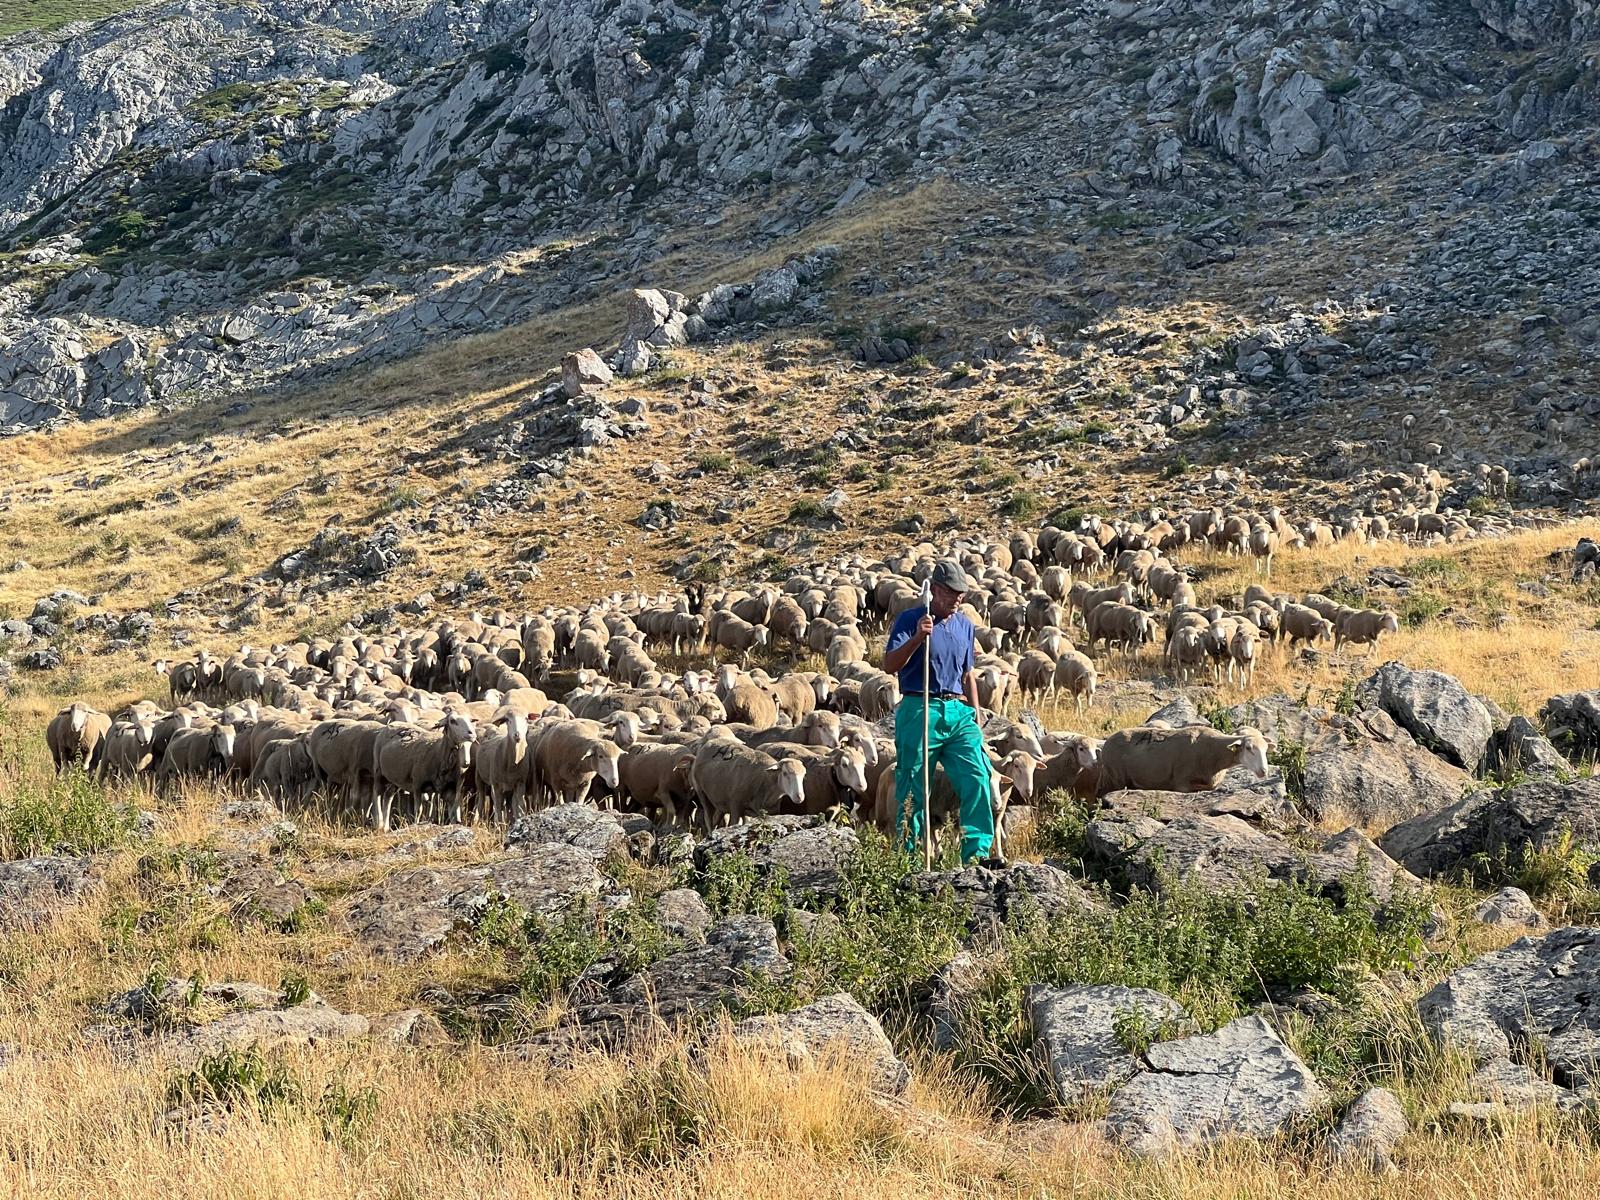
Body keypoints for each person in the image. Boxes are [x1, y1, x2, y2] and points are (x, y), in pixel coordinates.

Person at [882, 559, 997, 865]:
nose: (957, 600)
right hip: (920, 708)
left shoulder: (965, 625)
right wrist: (918, 638)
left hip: (958, 712)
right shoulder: (911, 619)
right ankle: (909, 858)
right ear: (934, 590)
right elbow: (890, 665)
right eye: (951, 594)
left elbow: (968, 674)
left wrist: (975, 712)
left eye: (961, 595)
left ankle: (977, 854)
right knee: (913, 785)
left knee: (978, 776)